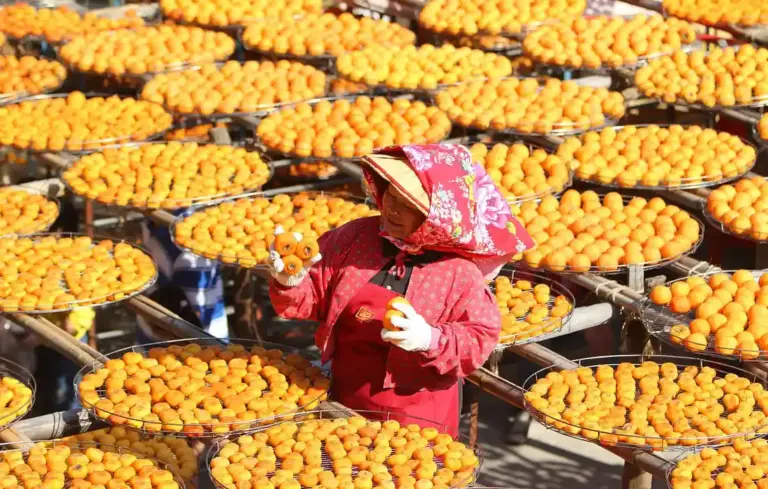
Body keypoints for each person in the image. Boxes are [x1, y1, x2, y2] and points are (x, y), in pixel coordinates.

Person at [268, 144, 534, 435]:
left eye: (409, 205)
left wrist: (430, 340)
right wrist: (290, 282)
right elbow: (312, 301)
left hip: (418, 415)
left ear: (436, 215)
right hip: (345, 395)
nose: (392, 209)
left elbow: (478, 340)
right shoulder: (355, 238)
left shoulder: (458, 272)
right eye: (391, 196)